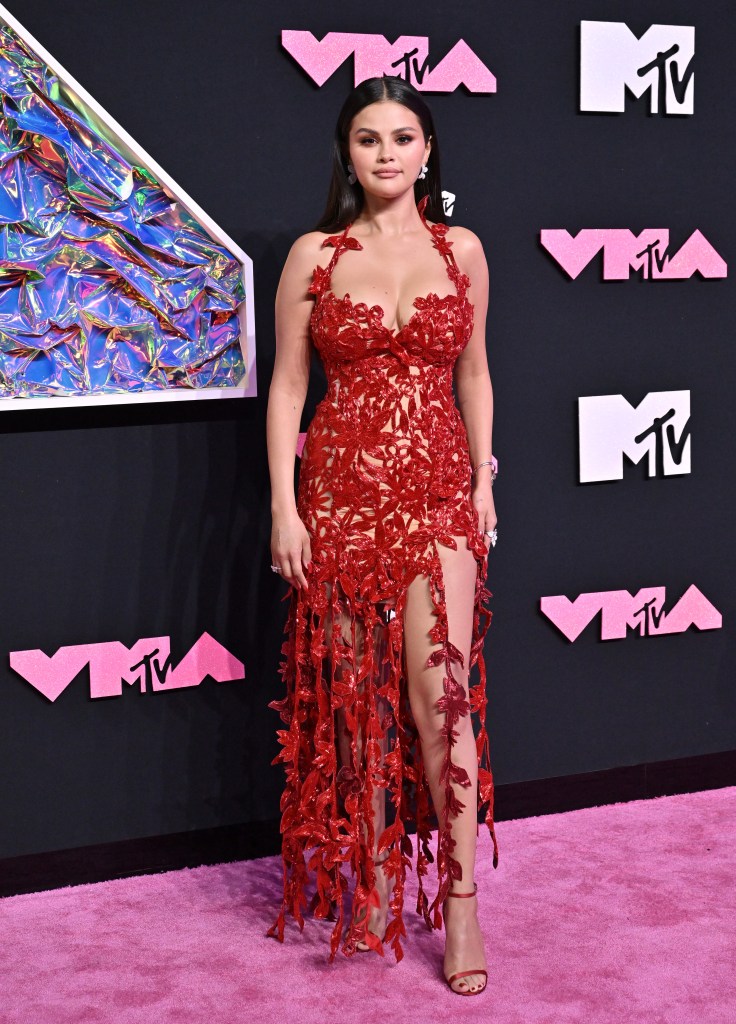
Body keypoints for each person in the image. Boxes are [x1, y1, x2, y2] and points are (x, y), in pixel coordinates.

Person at [265, 75, 498, 996]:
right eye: (369, 139)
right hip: (341, 501)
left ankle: (462, 897)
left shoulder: (463, 250)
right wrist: (285, 506)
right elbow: (287, 389)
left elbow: (475, 374)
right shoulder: (313, 258)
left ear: (428, 150)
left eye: (403, 136)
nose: (387, 153)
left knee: (444, 703)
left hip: (439, 493)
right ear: (348, 153)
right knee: (357, 705)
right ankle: (370, 885)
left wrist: (483, 477)